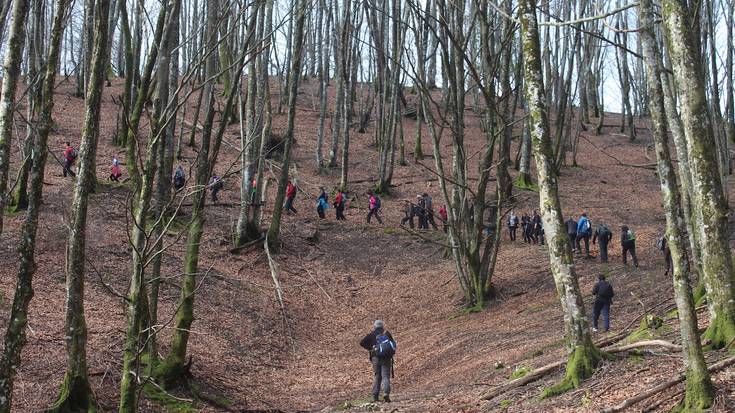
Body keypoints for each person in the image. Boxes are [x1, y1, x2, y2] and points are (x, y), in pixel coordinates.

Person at [359, 320, 396, 403]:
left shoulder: (371, 335)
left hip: (375, 357)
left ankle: (375, 396)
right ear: (382, 326)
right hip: (386, 357)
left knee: (377, 376)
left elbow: (361, 343)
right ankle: (386, 393)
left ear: (374, 326)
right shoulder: (387, 334)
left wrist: (371, 348)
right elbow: (393, 344)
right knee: (385, 376)